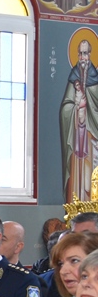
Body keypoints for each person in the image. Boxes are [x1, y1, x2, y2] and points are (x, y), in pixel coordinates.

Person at [60, 39, 98, 203]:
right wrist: (74, 108)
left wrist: (87, 106)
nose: (83, 57)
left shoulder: (95, 79)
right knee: (77, 174)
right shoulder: (73, 77)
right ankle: (75, 204)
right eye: (80, 54)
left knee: (91, 173)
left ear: (90, 54)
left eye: (86, 53)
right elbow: (65, 107)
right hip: (76, 135)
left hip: (91, 136)